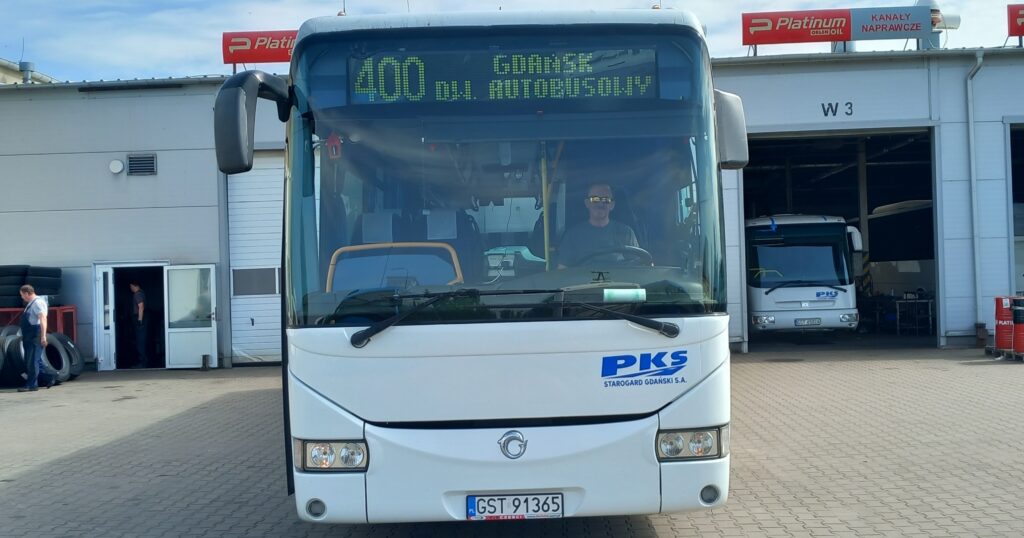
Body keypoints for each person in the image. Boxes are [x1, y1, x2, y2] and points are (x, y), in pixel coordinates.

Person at [556, 183, 640, 268]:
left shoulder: (626, 233)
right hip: (583, 277)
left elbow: (636, 268)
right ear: (587, 203)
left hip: (619, 276)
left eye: (606, 199)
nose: (600, 204)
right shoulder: (572, 236)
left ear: (612, 205)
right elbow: (563, 270)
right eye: (595, 199)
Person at [17, 285, 52, 392]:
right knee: (35, 360)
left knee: (32, 361)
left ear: (27, 293)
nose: (22, 297)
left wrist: (43, 336)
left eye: (22, 295)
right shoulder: (31, 304)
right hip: (29, 335)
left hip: (35, 335)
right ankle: (48, 379)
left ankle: (31, 385)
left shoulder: (37, 303)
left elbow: (43, 319)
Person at [129, 281, 149, 369]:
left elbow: (141, 306)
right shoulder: (142, 293)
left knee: (140, 341)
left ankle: (142, 363)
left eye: (131, 286)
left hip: (140, 319)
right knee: (141, 340)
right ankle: (143, 362)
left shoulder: (137, 294)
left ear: (135, 286)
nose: (131, 289)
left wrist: (140, 320)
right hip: (142, 319)